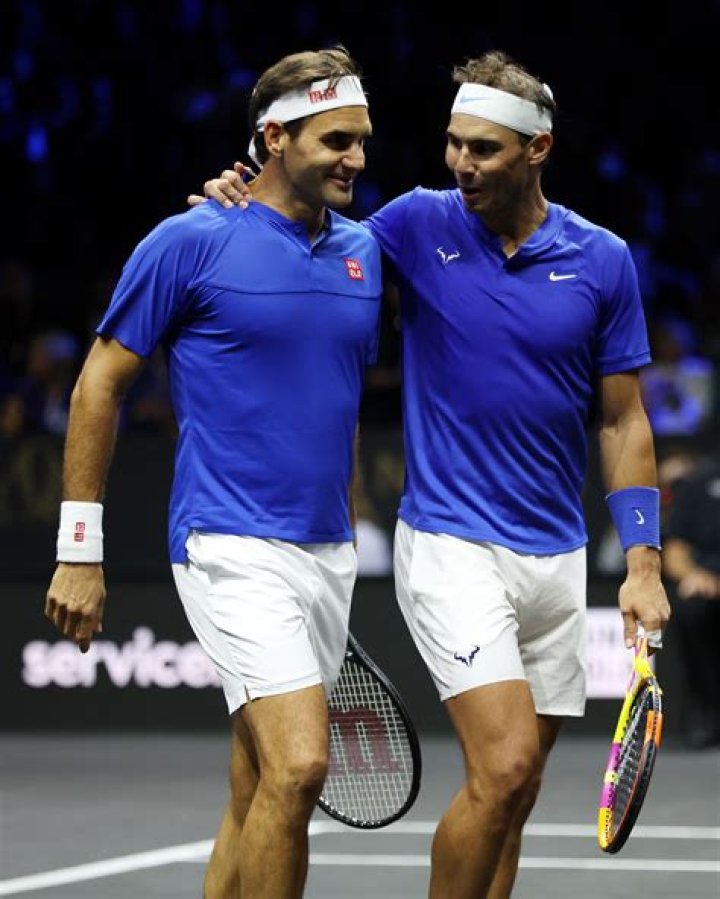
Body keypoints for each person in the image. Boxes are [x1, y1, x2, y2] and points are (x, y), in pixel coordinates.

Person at [193, 48, 671, 899]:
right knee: (505, 763)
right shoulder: (415, 224)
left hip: (557, 555)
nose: (461, 163)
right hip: (452, 543)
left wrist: (642, 561)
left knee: (514, 793)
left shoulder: (602, 259)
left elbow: (623, 418)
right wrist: (243, 205)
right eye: (454, 143)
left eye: (483, 149)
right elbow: (312, 245)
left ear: (537, 149)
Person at [44, 45, 381, 899]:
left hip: (327, 551)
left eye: (361, 140)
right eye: (336, 140)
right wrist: (79, 548)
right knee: (301, 766)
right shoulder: (188, 241)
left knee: (257, 780)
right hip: (228, 540)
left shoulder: (365, 253)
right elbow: (98, 384)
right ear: (274, 139)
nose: (355, 158)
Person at [662, 453, 720, 749]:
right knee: (691, 607)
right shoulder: (700, 481)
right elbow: (675, 550)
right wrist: (692, 575)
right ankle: (706, 711)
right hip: (709, 582)